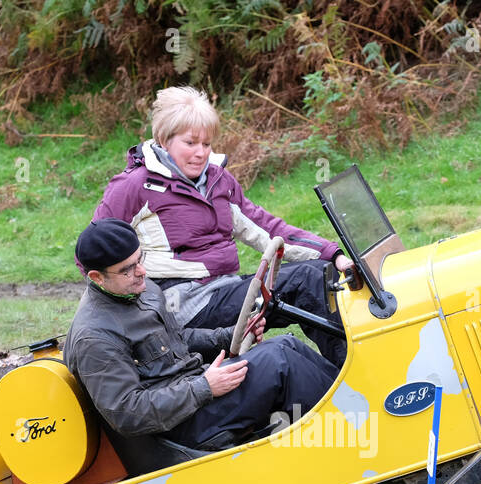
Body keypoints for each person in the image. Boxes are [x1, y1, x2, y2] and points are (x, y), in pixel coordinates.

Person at [85, 86, 351, 367]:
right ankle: (354, 380)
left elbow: (265, 227)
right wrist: (126, 319)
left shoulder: (217, 180)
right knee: (305, 282)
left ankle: (349, 372)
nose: (201, 153)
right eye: (190, 143)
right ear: (164, 140)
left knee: (319, 274)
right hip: (181, 305)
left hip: (223, 289)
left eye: (207, 144)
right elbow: (92, 253)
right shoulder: (134, 186)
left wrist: (333, 254)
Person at [65, 219, 338, 462]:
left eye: (141, 259)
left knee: (286, 345)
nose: (142, 272)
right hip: (182, 428)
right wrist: (204, 387)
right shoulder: (94, 337)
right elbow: (128, 413)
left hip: (196, 391)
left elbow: (177, 338)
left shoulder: (140, 291)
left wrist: (228, 335)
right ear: (97, 277)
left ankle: (352, 419)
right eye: (127, 269)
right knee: (279, 361)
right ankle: (351, 440)